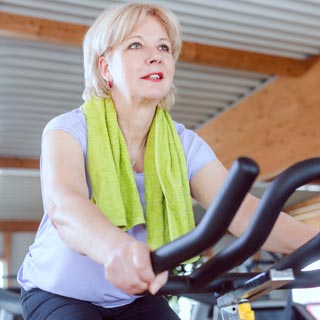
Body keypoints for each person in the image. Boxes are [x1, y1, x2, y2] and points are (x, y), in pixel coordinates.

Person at [17, 2, 318, 320]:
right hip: (58, 292)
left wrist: (315, 243)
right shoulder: (67, 130)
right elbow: (66, 206)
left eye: (163, 46)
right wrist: (118, 249)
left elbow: (242, 212)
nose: (156, 55)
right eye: (136, 45)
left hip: (132, 296)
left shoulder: (184, 145)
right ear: (105, 68)